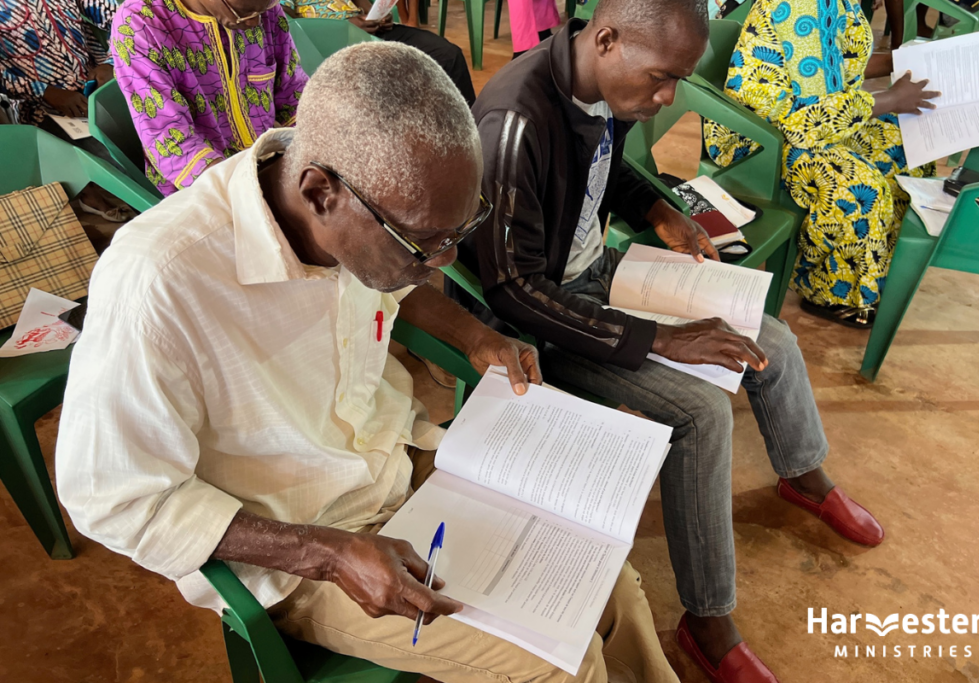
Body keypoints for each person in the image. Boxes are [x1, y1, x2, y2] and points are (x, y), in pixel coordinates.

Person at [55, 42, 678, 683]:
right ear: (321, 193)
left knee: (611, 581)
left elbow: (397, 282)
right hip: (297, 545)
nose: (441, 264)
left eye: (457, 234)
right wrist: (327, 554)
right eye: (424, 243)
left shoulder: (366, 217)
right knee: (557, 665)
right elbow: (111, 498)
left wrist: (474, 337)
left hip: (397, 476)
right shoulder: (158, 282)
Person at [458, 0, 886, 681]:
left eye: (678, 80)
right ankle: (707, 620)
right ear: (606, 40)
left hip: (594, 269)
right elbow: (511, 289)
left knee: (765, 335)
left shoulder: (601, 86)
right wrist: (661, 338)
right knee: (701, 412)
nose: (666, 99)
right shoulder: (516, 120)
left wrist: (661, 212)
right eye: (662, 78)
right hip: (547, 312)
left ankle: (805, 475)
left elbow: (605, 171)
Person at [703, 0, 938, 328]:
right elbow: (808, 118)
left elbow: (836, 65)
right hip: (765, 136)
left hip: (813, 120)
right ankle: (830, 287)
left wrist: (903, 64)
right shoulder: (800, 6)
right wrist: (890, 100)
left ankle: (872, 266)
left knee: (904, 151)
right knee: (859, 186)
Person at [110, 0, 307, 196]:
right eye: (244, 13)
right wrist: (247, 194)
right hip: (200, 184)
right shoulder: (140, 23)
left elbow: (294, 94)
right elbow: (170, 139)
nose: (255, 24)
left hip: (269, 163)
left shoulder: (265, 10)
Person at [0, 0, 131, 221]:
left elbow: (122, 17)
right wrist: (45, 92)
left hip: (94, 89)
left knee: (133, 151)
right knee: (116, 165)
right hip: (39, 107)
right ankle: (89, 195)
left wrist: (109, 62)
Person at [279, 0, 476, 104]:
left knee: (448, 56)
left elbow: (361, 3)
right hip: (329, 40)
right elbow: (290, 21)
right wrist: (340, 26)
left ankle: (472, 141)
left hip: (368, 30)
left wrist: (377, 14)